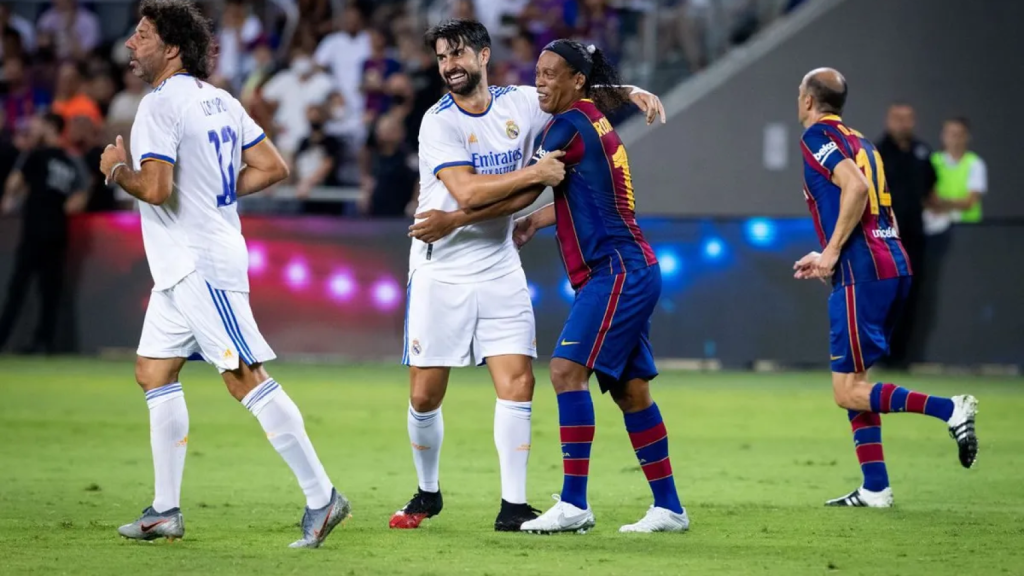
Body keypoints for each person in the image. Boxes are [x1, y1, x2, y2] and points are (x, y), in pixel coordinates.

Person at [396, 19, 665, 533]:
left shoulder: (520, 102)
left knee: (519, 384)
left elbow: (574, 87)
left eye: (457, 55)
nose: (449, 66)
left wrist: (630, 91)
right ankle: (427, 491)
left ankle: (513, 505)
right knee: (425, 395)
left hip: (498, 262)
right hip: (441, 268)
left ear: (482, 55)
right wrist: (536, 176)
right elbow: (471, 192)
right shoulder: (438, 122)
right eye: (441, 58)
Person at [97, 0, 348, 548]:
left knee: (243, 378)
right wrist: (215, 191)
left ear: (170, 47)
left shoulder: (158, 105)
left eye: (140, 35)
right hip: (183, 266)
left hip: (197, 263)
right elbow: (273, 167)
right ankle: (164, 510)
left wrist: (117, 169)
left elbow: (157, 188)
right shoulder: (220, 100)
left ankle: (322, 496)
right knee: (152, 371)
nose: (129, 45)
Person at [458, 39, 687, 535]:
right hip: (631, 267)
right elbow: (588, 193)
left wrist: (457, 216)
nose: (539, 82)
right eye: (536, 72)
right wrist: (541, 220)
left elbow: (525, 185)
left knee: (565, 370)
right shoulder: (592, 119)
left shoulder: (566, 127)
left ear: (576, 80)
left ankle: (574, 503)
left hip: (615, 272)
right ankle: (669, 507)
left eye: (549, 74)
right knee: (631, 391)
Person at [792, 68, 978, 508]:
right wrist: (827, 254)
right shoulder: (863, 141)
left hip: (863, 270)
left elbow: (854, 189)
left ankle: (950, 409)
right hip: (892, 263)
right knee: (859, 381)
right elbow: (873, 204)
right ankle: (875, 487)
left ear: (808, 101)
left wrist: (833, 251)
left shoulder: (816, 137)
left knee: (846, 391)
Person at [0, 112, 88, 354]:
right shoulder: (71, 160)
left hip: (34, 230)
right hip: (58, 230)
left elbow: (12, 185)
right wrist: (65, 205)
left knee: (17, 288)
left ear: (49, 127)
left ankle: (3, 338)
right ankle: (46, 344)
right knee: (50, 291)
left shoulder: (35, 155)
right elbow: (81, 195)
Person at [874, 102, 936, 368]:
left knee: (911, 296)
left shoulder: (922, 153)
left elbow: (931, 188)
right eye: (898, 118)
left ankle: (902, 357)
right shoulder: (876, 152)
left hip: (914, 236)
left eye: (908, 118)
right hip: (884, 236)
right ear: (889, 120)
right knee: (883, 295)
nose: (903, 124)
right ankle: (879, 355)